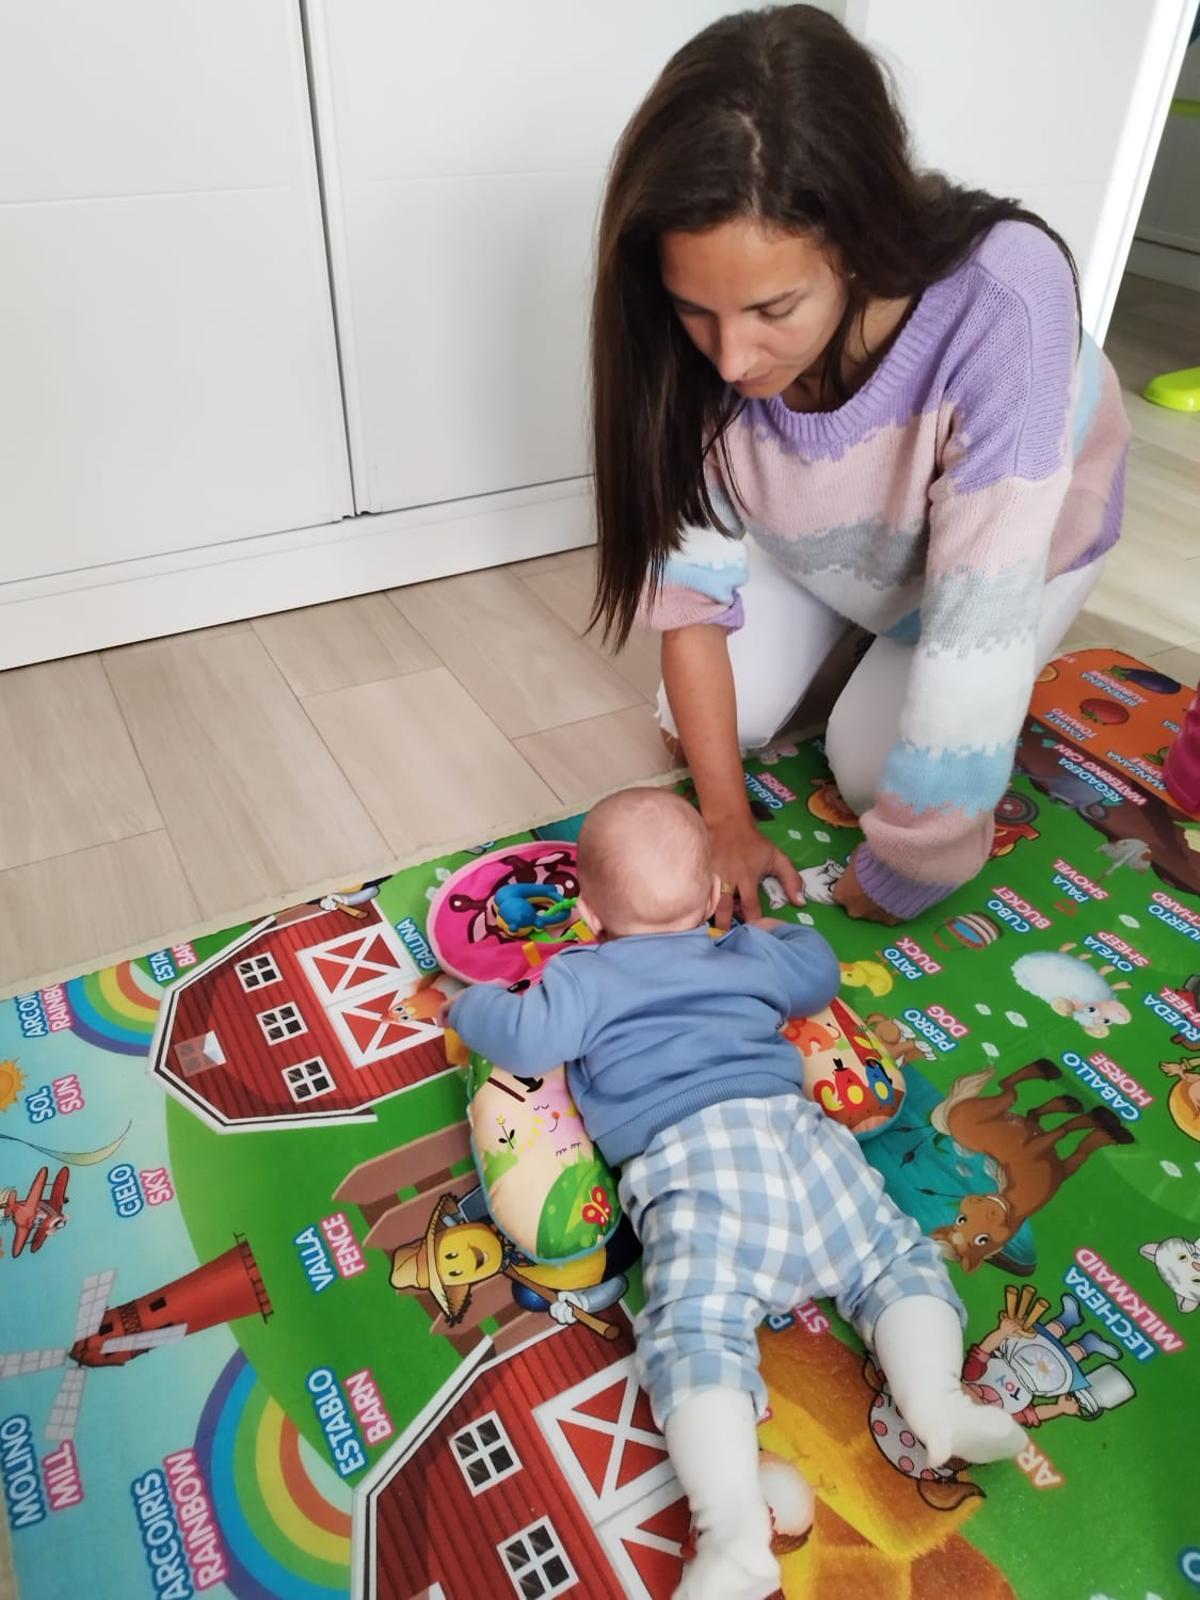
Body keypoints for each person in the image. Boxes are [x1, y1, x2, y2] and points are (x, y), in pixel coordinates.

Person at [589, 5, 1130, 927]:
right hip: (830, 540)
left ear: (855, 247)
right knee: (702, 731)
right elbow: (690, 604)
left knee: (879, 777)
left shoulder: (1007, 298)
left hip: (1009, 556)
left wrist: (915, 865)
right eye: (696, 311)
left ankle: (872, 650)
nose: (731, 360)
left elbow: (978, 624)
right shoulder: (684, 350)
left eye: (773, 310)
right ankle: (857, 635)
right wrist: (725, 820)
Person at [448, 788, 1024, 1600]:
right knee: (893, 1260)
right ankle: (938, 1402)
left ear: (586, 913)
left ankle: (732, 1536)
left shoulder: (579, 976)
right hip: (803, 1144)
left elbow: (521, 1035)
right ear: (716, 893)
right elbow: (817, 975)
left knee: (694, 1334)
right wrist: (772, 934)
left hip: (697, 1173)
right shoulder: (745, 951)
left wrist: (470, 1003)